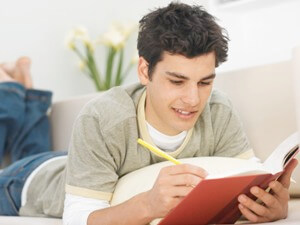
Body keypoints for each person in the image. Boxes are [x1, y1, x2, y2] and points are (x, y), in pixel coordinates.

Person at [0, 3, 298, 225]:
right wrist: (148, 205)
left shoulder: (218, 109)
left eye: (205, 82)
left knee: (32, 147)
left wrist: (273, 206)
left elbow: (249, 177)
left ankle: (22, 89)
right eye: (177, 81)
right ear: (145, 71)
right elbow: (77, 218)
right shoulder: (103, 118)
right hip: (30, 181)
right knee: (17, 160)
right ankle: (9, 90)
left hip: (74, 161)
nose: (193, 99)